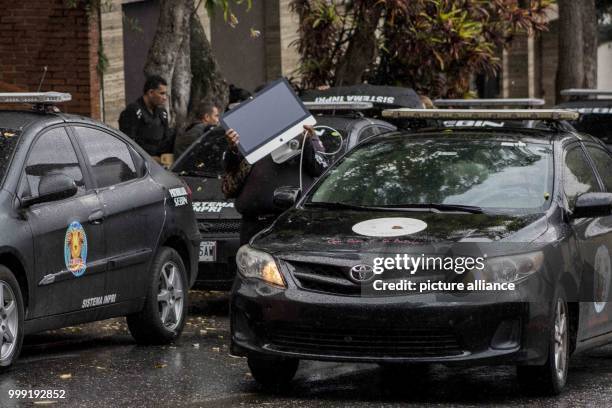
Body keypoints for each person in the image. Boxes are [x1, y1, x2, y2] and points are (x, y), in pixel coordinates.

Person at [222, 126, 327, 245]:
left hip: (289, 223)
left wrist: (306, 142)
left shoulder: (303, 133)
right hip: (253, 222)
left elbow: (320, 168)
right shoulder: (250, 134)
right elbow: (230, 166)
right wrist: (233, 147)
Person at [119, 75, 174, 163]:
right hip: (138, 165)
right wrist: (149, 159)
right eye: (162, 93)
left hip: (159, 166)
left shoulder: (162, 113)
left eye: (165, 94)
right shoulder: (133, 111)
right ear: (151, 92)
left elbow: (166, 139)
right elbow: (128, 143)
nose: (165, 98)